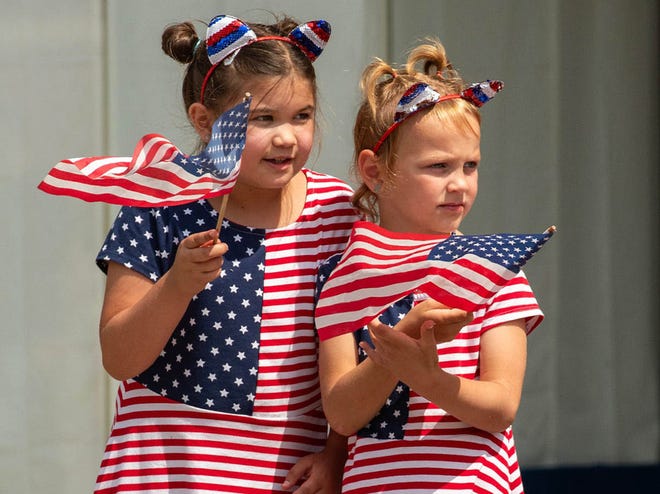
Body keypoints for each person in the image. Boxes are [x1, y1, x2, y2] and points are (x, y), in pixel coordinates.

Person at [93, 14, 362, 493]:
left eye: (301, 116)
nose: (287, 137)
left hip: (285, 478)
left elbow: (355, 360)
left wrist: (335, 456)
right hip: (160, 473)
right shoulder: (160, 201)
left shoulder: (338, 214)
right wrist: (178, 284)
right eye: (263, 118)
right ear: (204, 121)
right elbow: (119, 356)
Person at [316, 39, 545, 493]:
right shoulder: (346, 275)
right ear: (375, 172)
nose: (459, 184)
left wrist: (427, 376)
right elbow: (341, 413)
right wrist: (400, 348)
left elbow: (501, 406)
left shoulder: (493, 268)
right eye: (438, 166)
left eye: (471, 166)